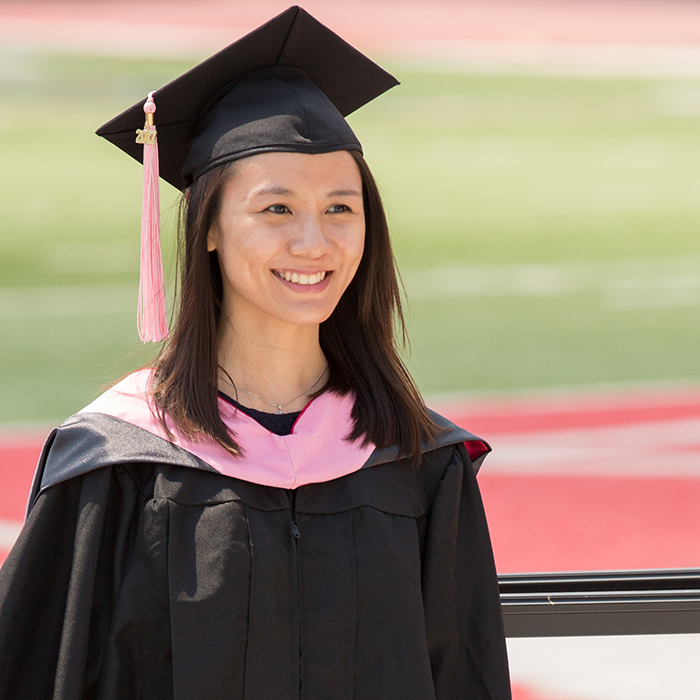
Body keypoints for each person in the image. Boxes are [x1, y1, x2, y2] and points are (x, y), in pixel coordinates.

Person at [0, 7, 511, 699]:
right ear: (207, 226)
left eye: (340, 208)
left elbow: (464, 676)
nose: (313, 242)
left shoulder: (419, 465)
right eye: (276, 209)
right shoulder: (117, 460)